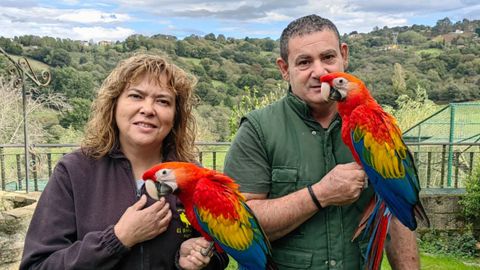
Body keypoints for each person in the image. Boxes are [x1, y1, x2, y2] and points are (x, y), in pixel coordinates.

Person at [224, 15, 420, 269]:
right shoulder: (258, 130)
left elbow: (396, 213)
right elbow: (238, 225)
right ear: (284, 69)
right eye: (304, 62)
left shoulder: (375, 124)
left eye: (328, 58)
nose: (320, 72)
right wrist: (319, 195)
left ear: (344, 55)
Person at [20, 54, 229, 270]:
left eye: (163, 101)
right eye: (136, 96)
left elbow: (222, 253)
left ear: (175, 115)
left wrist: (196, 257)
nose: (148, 109)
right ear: (114, 104)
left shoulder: (196, 179)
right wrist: (117, 239)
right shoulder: (74, 172)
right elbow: (37, 265)